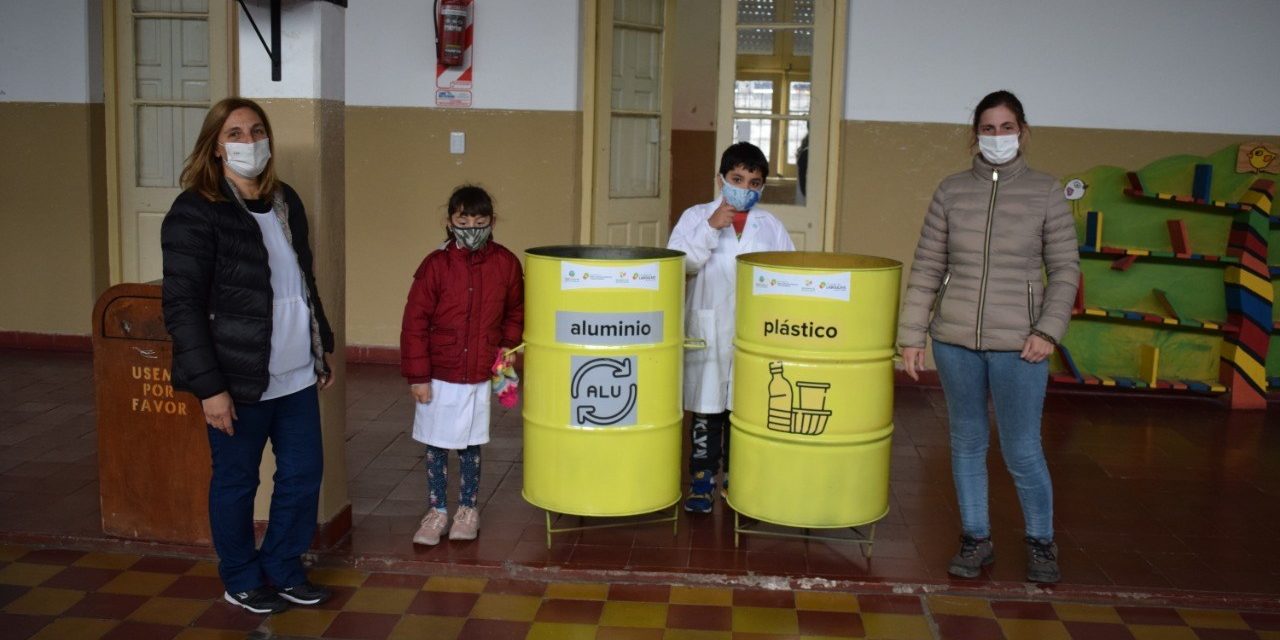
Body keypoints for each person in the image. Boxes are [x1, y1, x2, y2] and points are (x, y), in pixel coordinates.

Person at [162, 97, 336, 614]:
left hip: (295, 374)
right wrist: (209, 388)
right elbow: (183, 307)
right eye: (234, 133)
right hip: (236, 380)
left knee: (303, 474)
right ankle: (240, 577)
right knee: (238, 482)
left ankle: (282, 567)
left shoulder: (286, 201)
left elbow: (301, 281)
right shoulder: (195, 211)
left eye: (256, 130)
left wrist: (319, 342)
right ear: (215, 147)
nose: (248, 141)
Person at [898, 90, 1079, 584]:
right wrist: (912, 333)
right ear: (974, 134)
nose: (996, 137)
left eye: (1006, 127)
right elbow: (928, 266)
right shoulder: (951, 191)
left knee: (1022, 450)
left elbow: (1064, 269)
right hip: (954, 340)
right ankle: (976, 537)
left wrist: (1048, 330)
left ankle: (1041, 542)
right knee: (967, 443)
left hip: (1022, 346)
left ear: (1022, 129)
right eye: (987, 128)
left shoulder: (1046, 191)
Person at [668, 142, 796, 513]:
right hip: (708, 327)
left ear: (762, 187)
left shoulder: (770, 226)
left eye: (754, 182)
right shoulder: (696, 217)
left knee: (744, 409)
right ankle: (701, 481)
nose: (745, 188)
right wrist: (710, 228)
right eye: (737, 179)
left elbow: (786, 274)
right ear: (721, 179)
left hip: (753, 332)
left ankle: (735, 480)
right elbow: (679, 265)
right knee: (706, 411)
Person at [401, 185, 524, 546]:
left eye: (480, 220)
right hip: (439, 373)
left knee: (471, 443)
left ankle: (467, 509)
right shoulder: (435, 266)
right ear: (450, 221)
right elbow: (415, 323)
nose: (472, 227)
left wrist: (507, 348)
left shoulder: (506, 263)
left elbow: (516, 309)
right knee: (436, 444)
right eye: (463, 220)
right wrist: (418, 376)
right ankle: (437, 510)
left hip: (481, 372)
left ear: (492, 222)